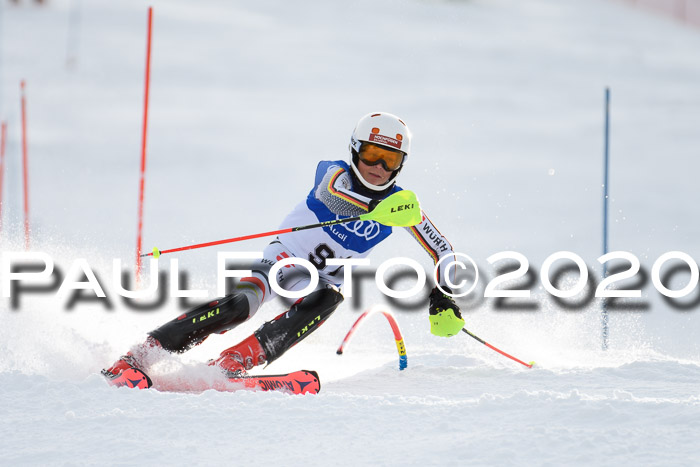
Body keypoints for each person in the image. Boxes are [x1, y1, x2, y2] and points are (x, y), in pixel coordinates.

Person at [103, 112, 465, 387]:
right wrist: (374, 209)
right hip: (284, 261)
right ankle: (140, 356)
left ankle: (231, 366)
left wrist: (443, 292)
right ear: (355, 149)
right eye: (371, 154)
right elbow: (332, 197)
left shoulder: (401, 206)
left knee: (329, 299)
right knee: (240, 305)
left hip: (319, 282)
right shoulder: (334, 171)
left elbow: (443, 250)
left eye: (390, 160)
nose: (378, 167)